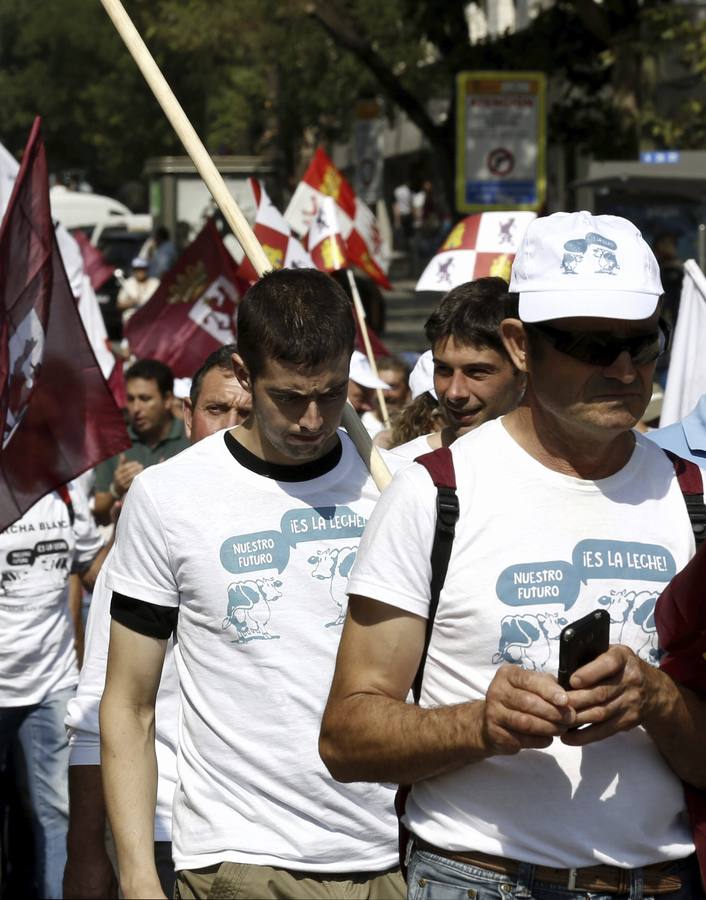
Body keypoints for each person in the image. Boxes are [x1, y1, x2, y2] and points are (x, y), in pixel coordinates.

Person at [321, 212, 705, 899]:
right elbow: (347, 736)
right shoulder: (435, 493)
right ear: (520, 344)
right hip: (477, 880)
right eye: (591, 345)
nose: (623, 368)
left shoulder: (693, 498)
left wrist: (658, 699)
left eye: (643, 344)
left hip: (661, 882)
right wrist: (479, 723)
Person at [101, 269, 402, 900]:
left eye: (331, 392)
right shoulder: (170, 496)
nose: (313, 419)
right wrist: (135, 876)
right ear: (244, 372)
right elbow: (128, 702)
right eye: (289, 397)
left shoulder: (395, 487)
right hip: (240, 861)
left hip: (391, 854)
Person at [64, 344, 252, 899]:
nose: (230, 428)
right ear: (187, 415)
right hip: (170, 828)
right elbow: (99, 699)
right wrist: (85, 851)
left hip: (279, 835)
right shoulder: (155, 520)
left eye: (246, 413)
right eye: (217, 410)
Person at [0, 468, 104, 899]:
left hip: (54, 681)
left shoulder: (67, 489)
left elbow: (89, 572)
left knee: (59, 813)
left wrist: (135, 523)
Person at [390, 277, 527, 459]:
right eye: (443, 370)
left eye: (476, 372)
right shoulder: (401, 467)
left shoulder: (568, 467)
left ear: (523, 371)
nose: (455, 393)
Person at [92, 358, 190, 525]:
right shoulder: (115, 444)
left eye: (145, 399)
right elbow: (100, 513)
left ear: (167, 399)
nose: (136, 408)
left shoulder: (190, 438)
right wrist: (116, 489)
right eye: (130, 399)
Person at [116, 257, 159, 322]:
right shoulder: (128, 283)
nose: (140, 272)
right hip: (133, 314)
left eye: (142, 269)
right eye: (137, 269)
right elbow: (119, 305)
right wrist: (131, 303)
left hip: (152, 315)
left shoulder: (155, 283)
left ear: (147, 269)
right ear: (133, 270)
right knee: (128, 316)